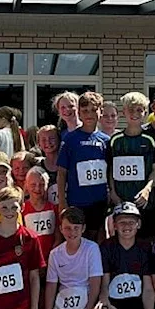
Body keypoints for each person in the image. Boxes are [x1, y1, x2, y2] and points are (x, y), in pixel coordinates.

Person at [57, 91, 111, 242]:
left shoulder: (106, 140)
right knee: (77, 238)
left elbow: (110, 172)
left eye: (94, 110)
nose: (89, 114)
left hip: (99, 201)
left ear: (101, 113)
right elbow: (62, 172)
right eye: (85, 110)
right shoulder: (70, 139)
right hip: (77, 201)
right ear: (79, 113)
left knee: (98, 238)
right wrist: (62, 201)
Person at [108, 92, 155, 240]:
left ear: (145, 113)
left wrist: (147, 189)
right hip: (121, 200)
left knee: (144, 242)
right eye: (131, 110)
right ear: (124, 112)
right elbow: (111, 169)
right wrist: (113, 192)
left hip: (144, 202)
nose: (135, 113)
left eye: (139, 110)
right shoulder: (115, 140)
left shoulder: (151, 139)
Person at [21, 166, 57, 259]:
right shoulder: (22, 209)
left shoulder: (53, 208)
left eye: (41, 184)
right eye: (33, 185)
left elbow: (58, 236)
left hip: (51, 258)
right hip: (31, 258)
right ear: (26, 185)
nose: (37, 188)